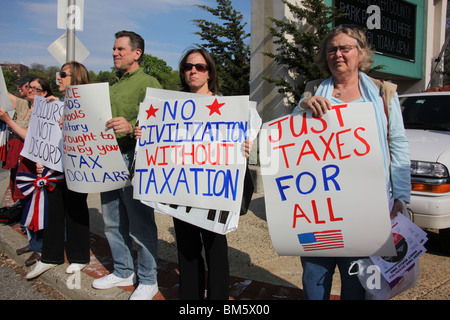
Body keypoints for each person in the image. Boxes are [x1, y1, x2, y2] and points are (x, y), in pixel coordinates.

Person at [295, 25, 411, 300]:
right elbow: (291, 138)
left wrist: (401, 196)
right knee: (314, 281)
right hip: (320, 209)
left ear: (360, 53)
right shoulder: (312, 90)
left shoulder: (383, 93)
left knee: (356, 286)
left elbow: (398, 143)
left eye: (345, 48)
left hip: (366, 211)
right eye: (332, 49)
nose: (338, 54)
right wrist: (304, 106)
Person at [91, 31, 161, 300]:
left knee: (140, 223)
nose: (114, 53)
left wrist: (132, 128)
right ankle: (122, 270)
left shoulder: (149, 83)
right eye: (113, 49)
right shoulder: (110, 85)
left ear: (136, 53)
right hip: (106, 159)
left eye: (120, 49)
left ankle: (148, 279)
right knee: (111, 220)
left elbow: (159, 126)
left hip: (133, 158)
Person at [26, 62, 92, 279]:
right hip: (54, 167)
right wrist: (40, 159)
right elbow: (45, 136)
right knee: (53, 213)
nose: (59, 78)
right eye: (59, 74)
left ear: (76, 77)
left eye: (63, 74)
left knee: (76, 211)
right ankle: (50, 256)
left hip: (77, 167)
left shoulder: (87, 104)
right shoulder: (54, 103)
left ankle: (79, 257)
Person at [0, 77, 54, 267]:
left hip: (33, 161)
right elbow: (3, 93)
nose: (30, 91)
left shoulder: (45, 110)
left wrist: (8, 120)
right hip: (19, 158)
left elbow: (28, 136)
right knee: (23, 200)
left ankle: (40, 246)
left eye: (35, 89)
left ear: (45, 92)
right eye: (28, 87)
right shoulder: (24, 105)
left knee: (36, 203)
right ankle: (33, 242)